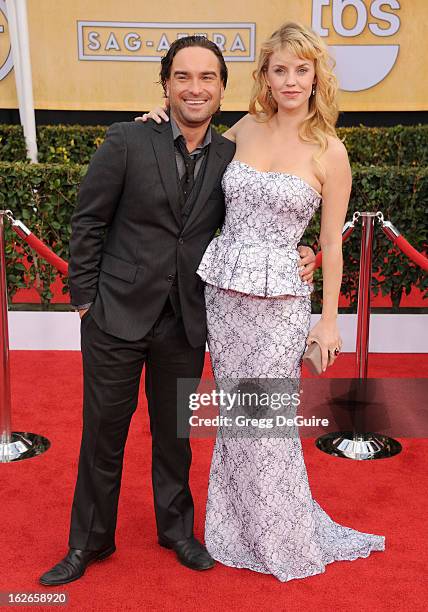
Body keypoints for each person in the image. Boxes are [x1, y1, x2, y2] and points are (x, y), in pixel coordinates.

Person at [38, 35, 316, 586]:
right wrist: (86, 302)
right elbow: (88, 222)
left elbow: (255, 219)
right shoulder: (126, 140)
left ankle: (177, 530)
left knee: (175, 437)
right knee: (103, 436)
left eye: (207, 78)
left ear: (222, 89)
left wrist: (301, 250)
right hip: (115, 316)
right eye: (183, 77)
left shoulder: (233, 155)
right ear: (165, 85)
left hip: (186, 319)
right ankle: (88, 542)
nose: (195, 88)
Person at [141, 22, 385, 582]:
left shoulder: (330, 150)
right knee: (236, 418)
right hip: (226, 295)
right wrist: (153, 122)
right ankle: (233, 529)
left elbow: (328, 242)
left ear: (317, 75)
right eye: (280, 69)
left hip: (281, 305)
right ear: (266, 77)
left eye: (302, 69)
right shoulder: (242, 130)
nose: (291, 79)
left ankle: (285, 536)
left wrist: (328, 322)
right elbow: (191, 165)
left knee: (268, 419)